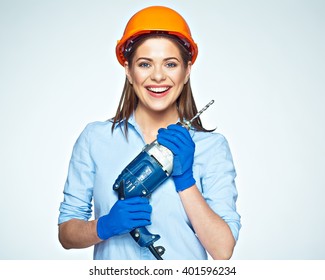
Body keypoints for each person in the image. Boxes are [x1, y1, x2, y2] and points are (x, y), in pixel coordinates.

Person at [58, 5, 241, 260]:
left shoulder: (212, 147)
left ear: (186, 71)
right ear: (128, 71)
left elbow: (222, 250)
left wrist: (185, 179)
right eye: (145, 64)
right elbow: (66, 234)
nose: (157, 76)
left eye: (170, 64)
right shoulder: (95, 138)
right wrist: (103, 226)